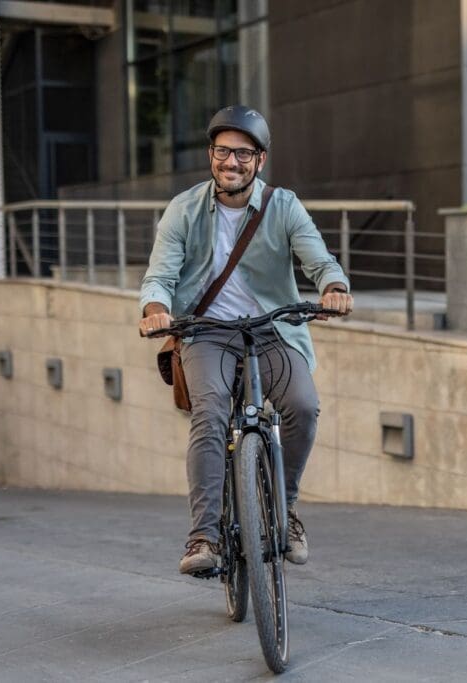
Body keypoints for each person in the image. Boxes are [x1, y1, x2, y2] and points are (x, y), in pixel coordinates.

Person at [138, 105, 353, 573]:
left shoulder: (284, 206)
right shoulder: (183, 209)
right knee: (211, 411)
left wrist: (334, 288)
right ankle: (204, 538)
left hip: (272, 328)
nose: (230, 162)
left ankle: (286, 512)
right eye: (222, 151)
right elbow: (160, 275)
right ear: (210, 155)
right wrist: (155, 310)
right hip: (206, 332)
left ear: (260, 160)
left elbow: (319, 260)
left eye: (242, 153)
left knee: (303, 406)